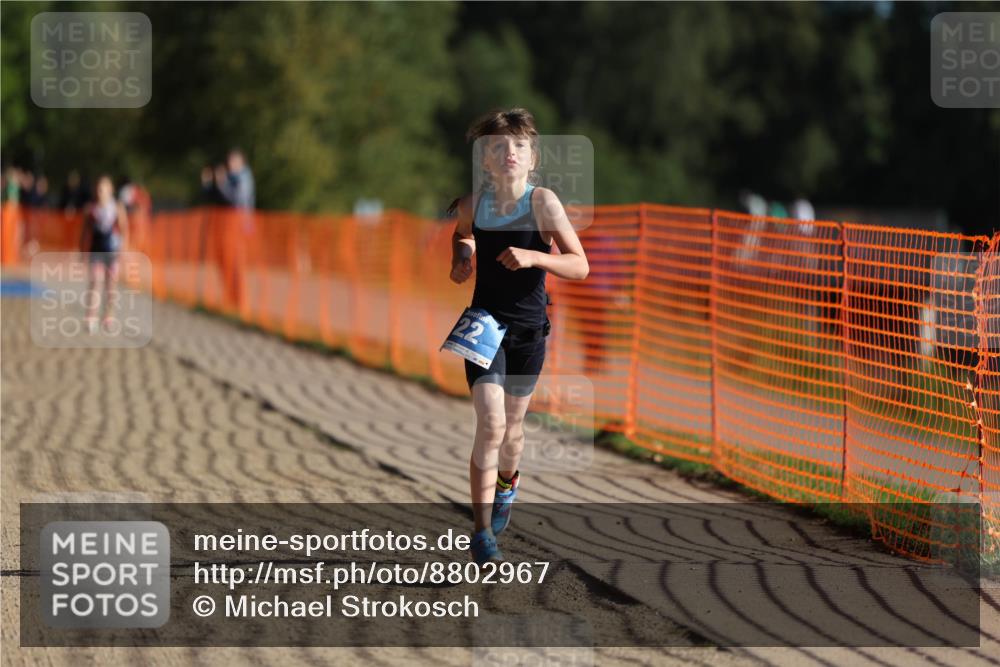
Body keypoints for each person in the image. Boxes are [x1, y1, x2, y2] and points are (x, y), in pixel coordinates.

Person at [447, 108, 589, 564]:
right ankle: (481, 532)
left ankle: (509, 481)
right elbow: (463, 233)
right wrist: (463, 256)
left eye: (519, 146)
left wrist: (535, 258)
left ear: (532, 158)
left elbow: (579, 265)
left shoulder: (542, 203)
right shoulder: (474, 205)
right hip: (485, 327)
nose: (509, 153)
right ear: (485, 159)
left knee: (512, 432)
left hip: (529, 330)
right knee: (490, 425)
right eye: (499, 147)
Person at [79, 175, 129, 331]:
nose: (100, 192)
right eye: (98, 189)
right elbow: (84, 232)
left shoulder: (117, 207)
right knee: (95, 282)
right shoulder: (91, 209)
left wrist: (123, 249)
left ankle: (108, 317)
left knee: (111, 286)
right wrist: (82, 251)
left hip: (112, 252)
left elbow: (124, 229)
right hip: (96, 250)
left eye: (103, 189)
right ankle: (91, 316)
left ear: (110, 190)